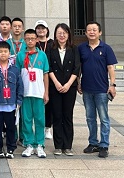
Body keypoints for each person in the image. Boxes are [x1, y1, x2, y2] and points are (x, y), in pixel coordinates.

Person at [78, 21, 117, 158]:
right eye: (89, 30)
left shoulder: (106, 48)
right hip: (87, 89)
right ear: (85, 33)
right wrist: (78, 82)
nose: (92, 32)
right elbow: (79, 67)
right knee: (90, 118)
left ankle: (104, 145)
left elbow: (110, 67)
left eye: (94, 30)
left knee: (104, 118)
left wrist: (112, 85)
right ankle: (93, 142)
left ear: (100, 32)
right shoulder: (81, 48)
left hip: (101, 89)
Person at [0, 41, 24, 159]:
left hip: (11, 105)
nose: (3, 54)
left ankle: (11, 148)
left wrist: (19, 101)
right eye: (1, 51)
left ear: (9, 53)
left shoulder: (15, 69)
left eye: (5, 51)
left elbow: (20, 86)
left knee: (11, 128)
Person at [47, 22, 80, 156]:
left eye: (64, 33)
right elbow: (48, 67)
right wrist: (56, 83)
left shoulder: (74, 49)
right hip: (55, 86)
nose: (62, 35)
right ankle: (58, 146)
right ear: (55, 35)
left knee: (67, 116)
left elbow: (76, 68)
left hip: (69, 87)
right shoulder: (51, 48)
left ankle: (68, 146)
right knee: (57, 116)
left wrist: (68, 84)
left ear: (68, 34)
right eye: (59, 33)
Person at [16, 28, 49, 158]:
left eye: (32, 39)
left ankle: (40, 144)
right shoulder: (20, 55)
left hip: (38, 93)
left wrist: (46, 93)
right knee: (26, 119)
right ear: (24, 40)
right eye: (28, 39)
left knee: (40, 119)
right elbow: (18, 75)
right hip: (25, 93)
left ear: (36, 40)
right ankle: (29, 144)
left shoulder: (42, 55)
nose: (30, 41)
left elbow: (45, 74)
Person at [35, 20, 55, 140]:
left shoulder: (53, 43)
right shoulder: (33, 43)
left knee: (49, 104)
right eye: (38, 28)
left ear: (47, 30)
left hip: (50, 77)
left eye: (43, 28)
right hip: (36, 77)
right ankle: (38, 127)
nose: (41, 30)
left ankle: (48, 128)